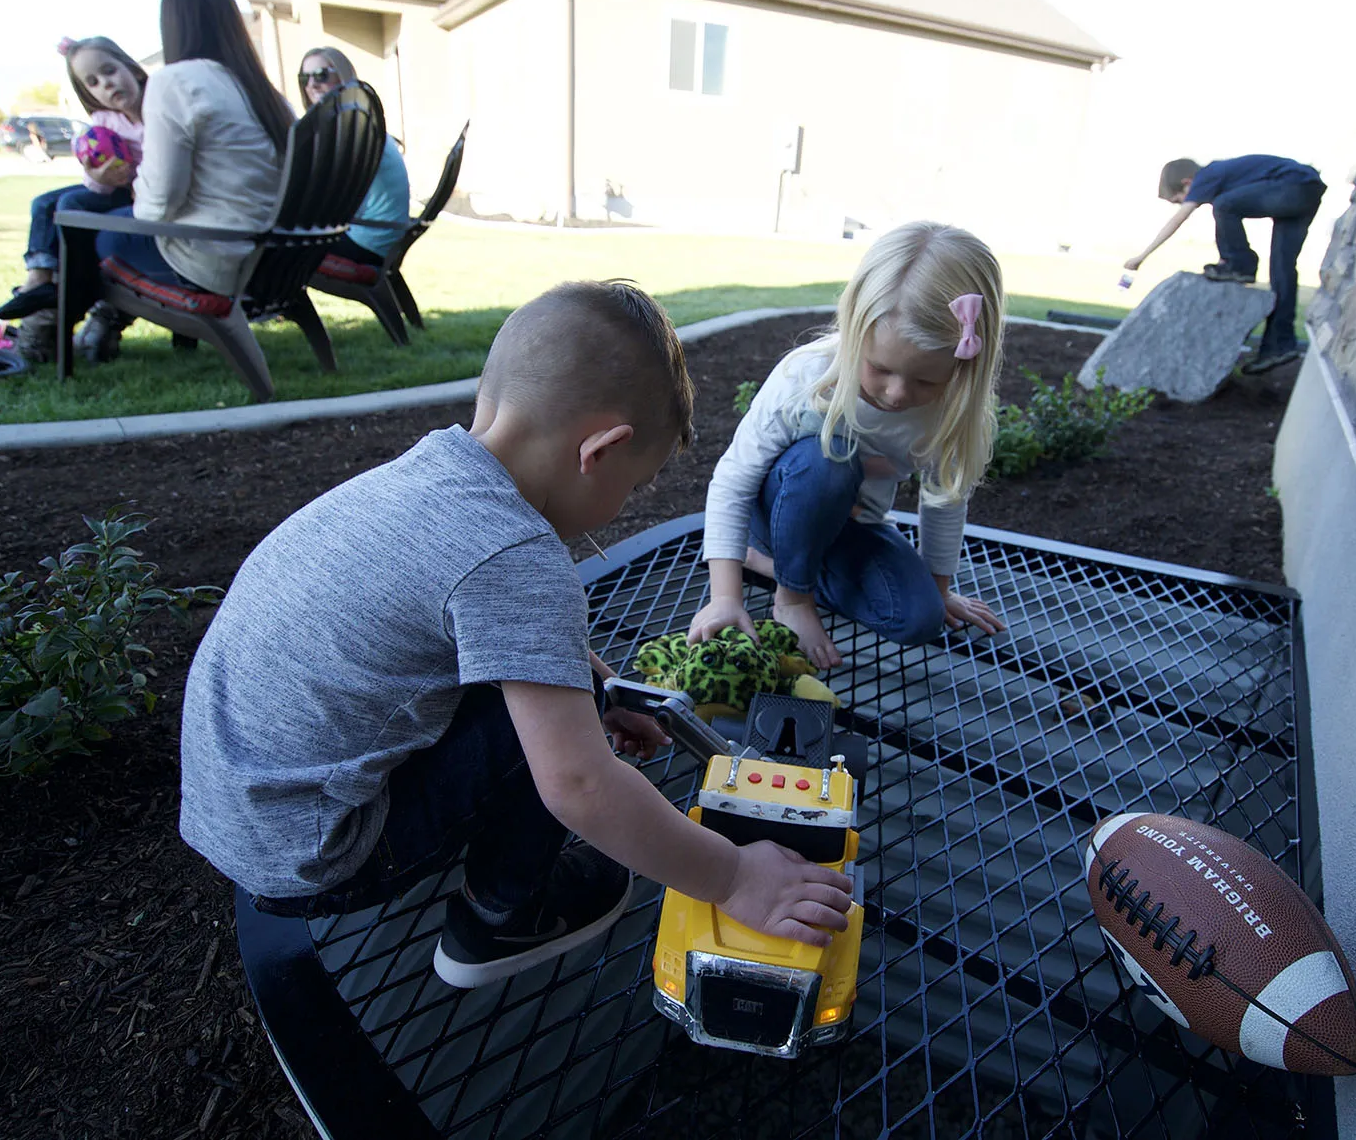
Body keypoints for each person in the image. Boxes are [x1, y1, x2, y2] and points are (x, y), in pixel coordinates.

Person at [179, 280, 854, 988]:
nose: (623, 507)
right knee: (549, 743)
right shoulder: (516, 556)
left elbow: (481, 626)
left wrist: (603, 687)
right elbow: (579, 785)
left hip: (236, 810)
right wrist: (736, 874)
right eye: (637, 485)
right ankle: (501, 918)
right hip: (317, 858)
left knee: (555, 695)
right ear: (600, 450)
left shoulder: (424, 475)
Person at [687, 221, 1009, 671]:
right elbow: (732, 481)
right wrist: (725, 597)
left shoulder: (951, 409)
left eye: (924, 380)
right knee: (828, 460)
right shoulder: (805, 378)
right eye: (879, 368)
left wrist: (937, 592)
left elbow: (944, 503)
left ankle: (767, 564)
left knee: (917, 619)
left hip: (848, 529)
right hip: (780, 511)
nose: (897, 394)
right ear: (855, 330)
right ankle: (791, 594)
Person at [34, 0, 294, 363]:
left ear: (172, 24)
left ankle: (50, 334)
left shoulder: (176, 81)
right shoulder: (264, 92)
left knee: (84, 228)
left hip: (215, 263)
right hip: (273, 259)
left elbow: (159, 204)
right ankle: (69, 327)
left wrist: (136, 195)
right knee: (78, 211)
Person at [1124, 155, 1327, 375]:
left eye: (1179, 199)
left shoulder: (1206, 175)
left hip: (1293, 184)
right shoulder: (1224, 176)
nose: (1184, 203)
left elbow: (1179, 219)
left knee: (1223, 205)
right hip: (1308, 189)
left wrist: (1142, 256)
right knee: (1282, 268)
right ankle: (1279, 345)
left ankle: (1239, 265)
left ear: (1187, 182)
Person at [0, 37, 147, 323]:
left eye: (110, 71)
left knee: (71, 202)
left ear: (134, 69)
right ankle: (38, 280)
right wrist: (96, 177)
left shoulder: (158, 113)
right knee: (43, 203)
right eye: (93, 82)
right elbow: (99, 186)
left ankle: (75, 287)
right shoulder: (104, 122)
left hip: (142, 194)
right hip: (114, 188)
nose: (106, 84)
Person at [296, 46, 410, 267]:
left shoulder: (349, 128)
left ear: (343, 76)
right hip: (379, 235)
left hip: (367, 242)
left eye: (321, 75)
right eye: (304, 78)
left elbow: (330, 200)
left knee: (269, 252)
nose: (312, 84)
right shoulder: (359, 118)